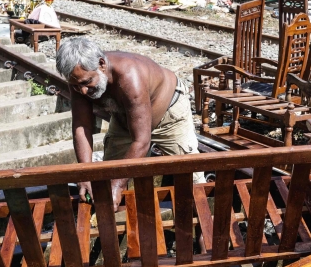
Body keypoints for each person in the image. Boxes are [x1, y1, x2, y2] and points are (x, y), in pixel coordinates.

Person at [56, 37, 203, 210]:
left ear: (102, 64)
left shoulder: (129, 76)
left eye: (87, 82)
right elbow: (82, 127)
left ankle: (203, 225)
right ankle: (118, 228)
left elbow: (141, 141)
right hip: (125, 117)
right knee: (108, 176)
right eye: (75, 86)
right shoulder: (79, 79)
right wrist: (85, 173)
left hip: (170, 116)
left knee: (191, 176)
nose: (83, 91)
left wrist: (118, 185)